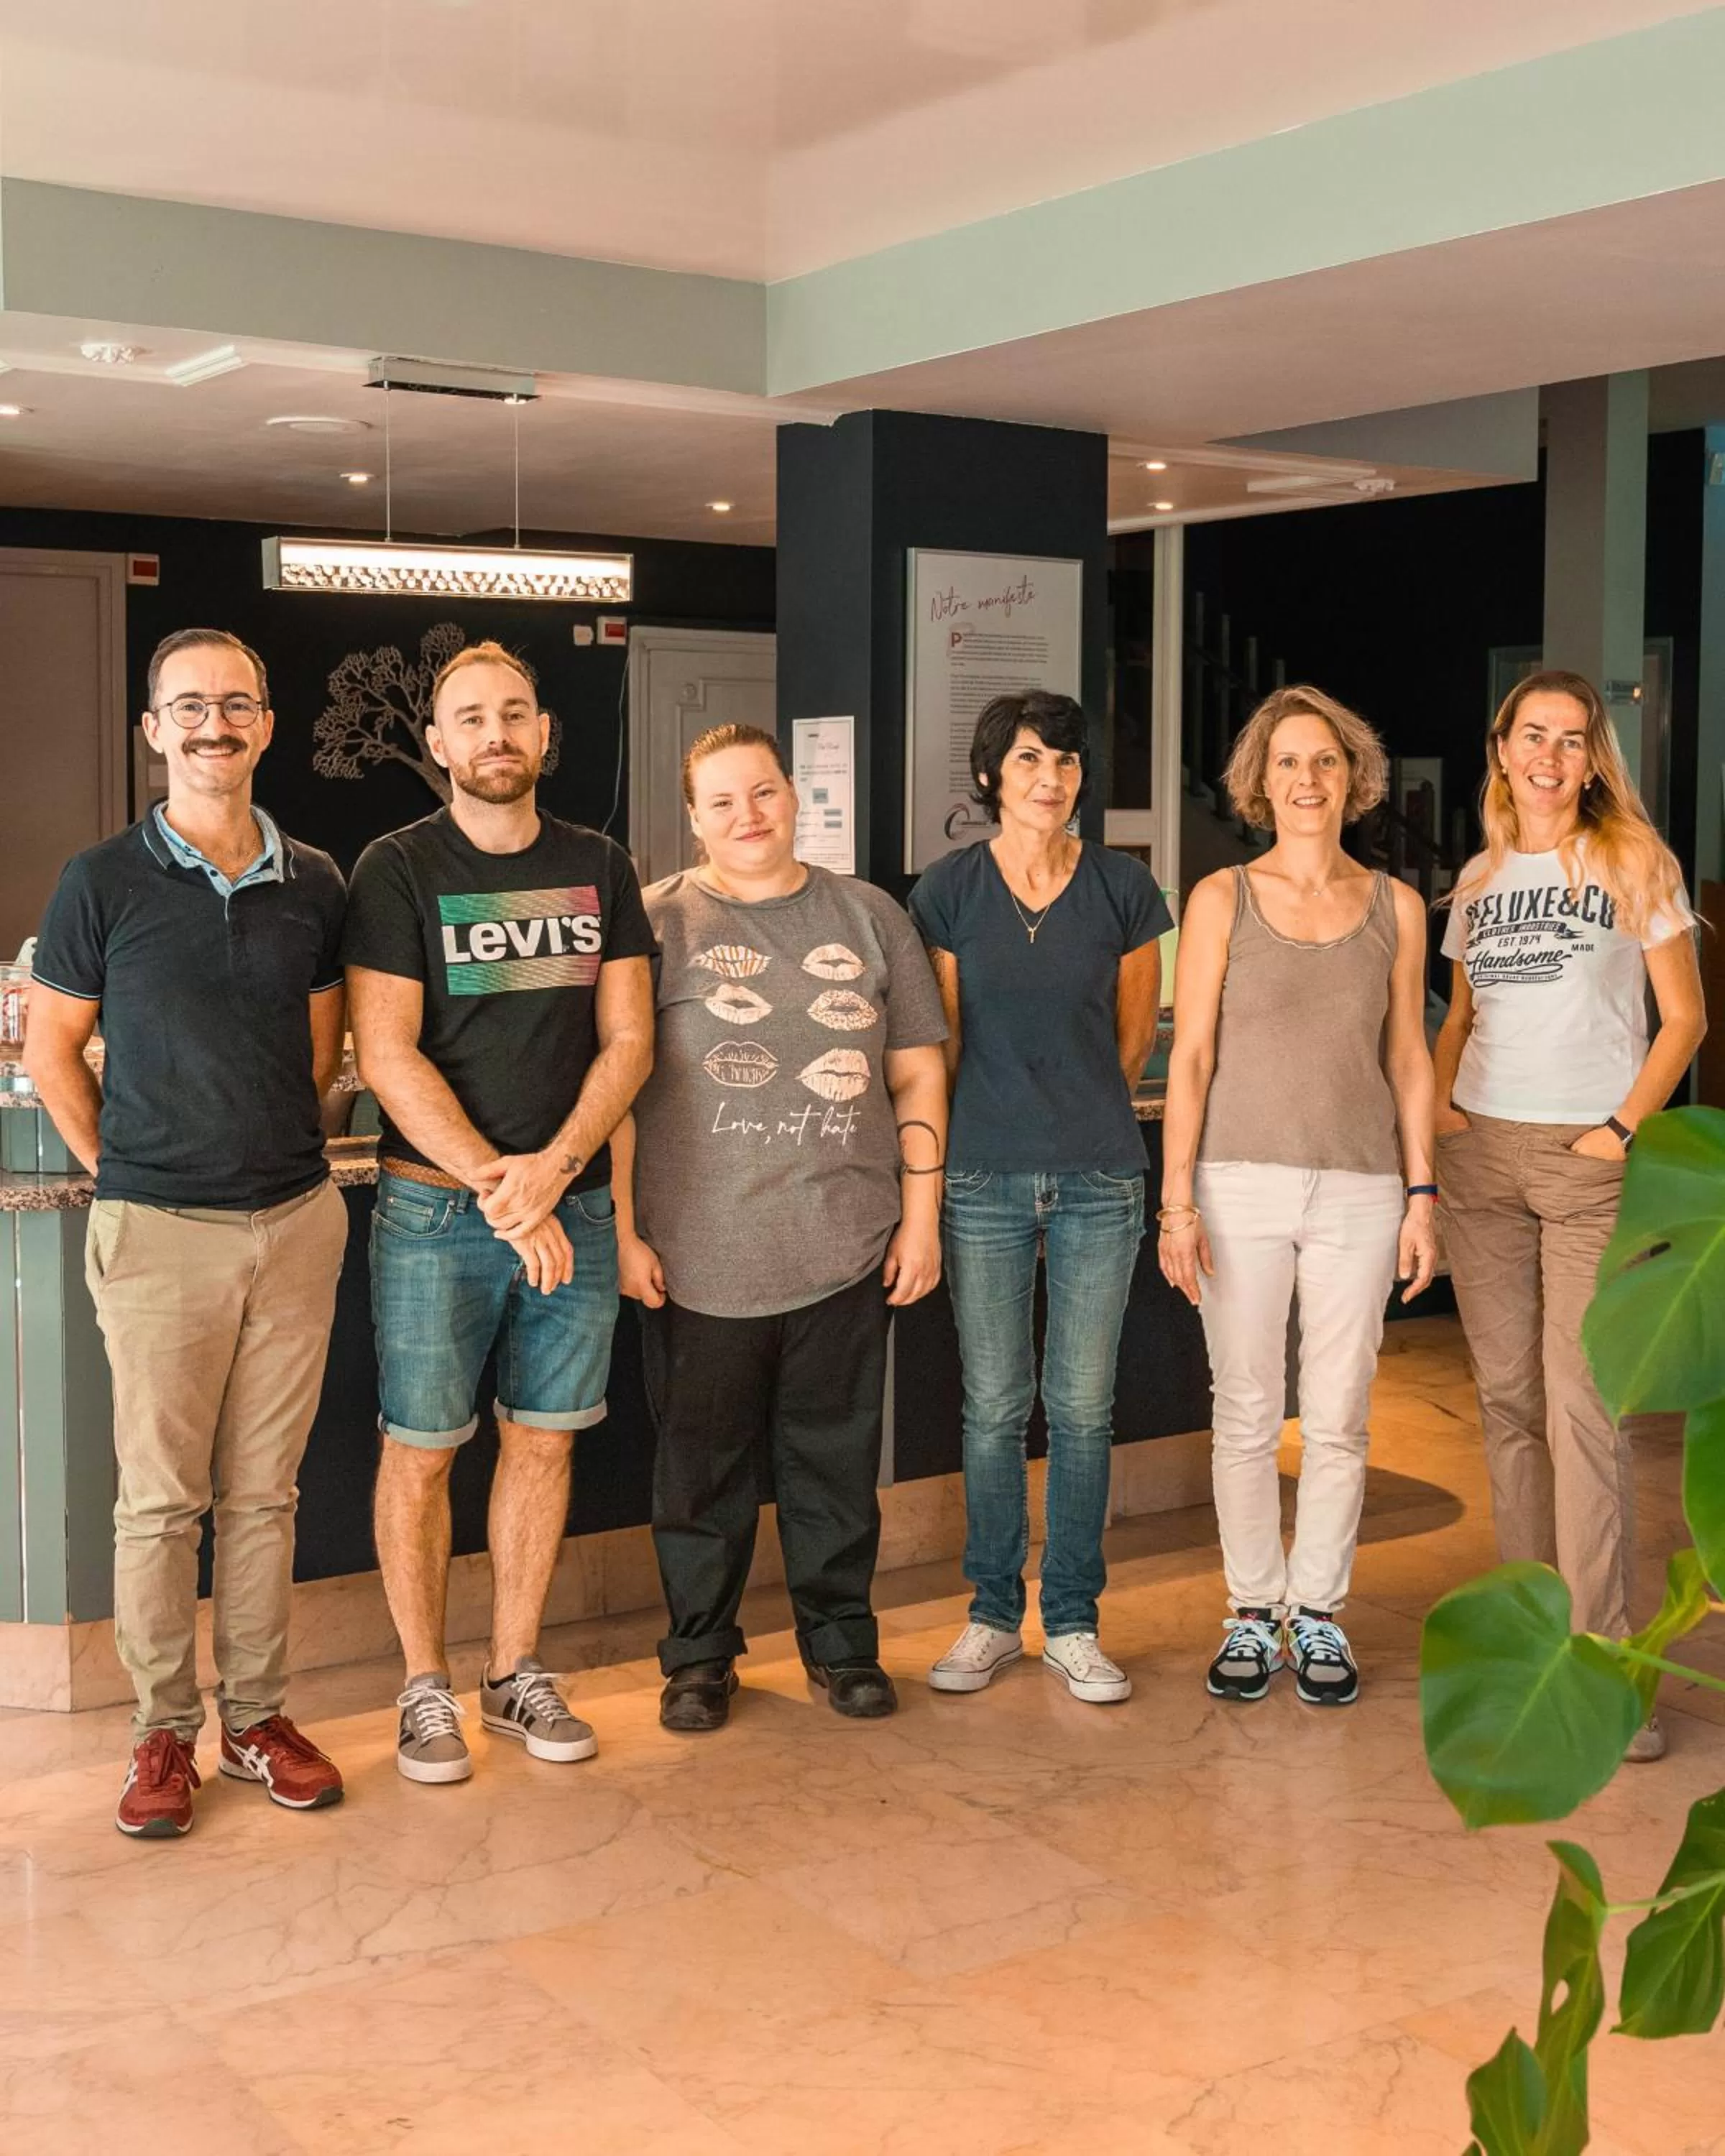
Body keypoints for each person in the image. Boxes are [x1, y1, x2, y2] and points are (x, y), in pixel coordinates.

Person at [24, 627, 349, 1837]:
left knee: (265, 1498)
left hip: (297, 1223)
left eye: (237, 704)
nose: (214, 725)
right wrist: (125, 1169)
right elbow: (51, 1051)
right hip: (157, 1231)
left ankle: (256, 1720)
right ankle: (160, 1737)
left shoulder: (314, 878)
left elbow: (321, 1062)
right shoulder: (98, 880)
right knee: (161, 1505)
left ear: (265, 724)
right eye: (188, 707)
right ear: (152, 729)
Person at [344, 640, 655, 1784]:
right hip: (437, 1217)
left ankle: (515, 1673)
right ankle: (425, 1687)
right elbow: (386, 1051)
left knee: (541, 1441)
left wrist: (557, 1169)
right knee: (421, 1451)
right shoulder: (398, 867)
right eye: (470, 718)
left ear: (542, 734)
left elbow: (630, 1039)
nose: (494, 735)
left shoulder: (600, 865)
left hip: (569, 1207)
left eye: (514, 714)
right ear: (438, 743)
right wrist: (497, 1182)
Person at [613, 723, 947, 1731]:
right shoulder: (656, 921)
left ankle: (842, 1645)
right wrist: (626, 1233)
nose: (746, 816)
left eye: (762, 793)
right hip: (695, 1257)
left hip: (845, 1246)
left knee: (834, 1468)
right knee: (699, 1474)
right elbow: (617, 1088)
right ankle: (700, 1658)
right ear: (693, 818)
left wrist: (920, 1218)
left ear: (795, 796)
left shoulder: (869, 913)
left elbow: (918, 1066)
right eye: (721, 802)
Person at [1433, 668, 1706, 1763]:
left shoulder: (1633, 860)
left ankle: (1608, 1669)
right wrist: (1448, 1119)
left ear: (1596, 760)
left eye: (1574, 740)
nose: (1551, 757)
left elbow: (1682, 1019)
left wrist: (1622, 1130)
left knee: (1584, 1411)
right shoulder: (1480, 873)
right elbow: (1461, 1015)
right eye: (1533, 735)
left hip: (1589, 1162)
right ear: (1502, 747)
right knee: (1508, 1407)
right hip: (1482, 1161)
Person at [1160, 686, 1436, 1708]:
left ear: (1352, 777)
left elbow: (1410, 1059)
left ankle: (1317, 1614)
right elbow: (1189, 1060)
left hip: (1364, 1189)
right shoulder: (1220, 898)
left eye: (1324, 761)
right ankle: (1249, 1610)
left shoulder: (1396, 908)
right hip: (1238, 1183)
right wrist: (1176, 1202)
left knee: (1341, 1415)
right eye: (1287, 762)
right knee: (1244, 1409)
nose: (1307, 779)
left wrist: (1421, 1194)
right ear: (1259, 781)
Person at [908, 691, 1169, 1705]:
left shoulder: (1124, 889)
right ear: (990, 780)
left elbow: (1136, 1040)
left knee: (1084, 1407)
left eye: (1063, 761)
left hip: (1102, 1175)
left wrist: (1076, 1116)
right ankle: (988, 1614)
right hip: (980, 1177)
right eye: (1026, 761)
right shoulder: (949, 893)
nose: (1049, 779)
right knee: (994, 1407)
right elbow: (944, 1048)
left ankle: (1071, 1620)